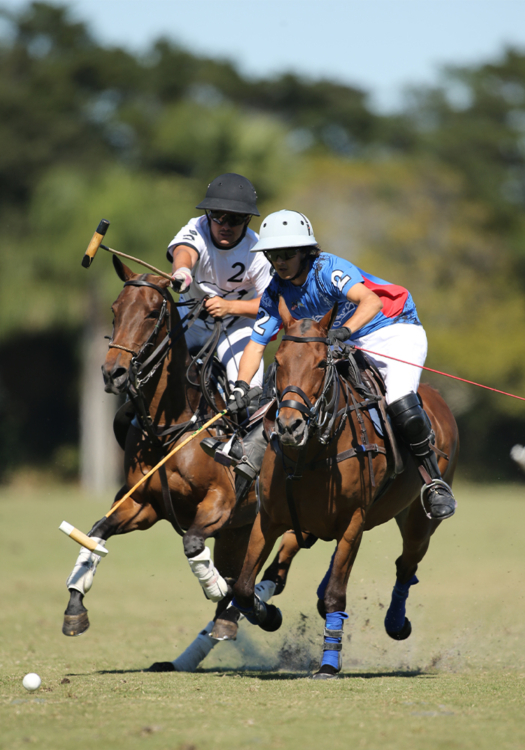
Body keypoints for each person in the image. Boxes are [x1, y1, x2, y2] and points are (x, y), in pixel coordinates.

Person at [210, 209, 456, 520]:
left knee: (398, 400)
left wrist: (345, 332)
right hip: (341, 340)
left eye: (286, 254)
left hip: (393, 328)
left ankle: (433, 482)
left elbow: (371, 302)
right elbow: (256, 345)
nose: (279, 261)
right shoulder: (276, 290)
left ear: (304, 252)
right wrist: (242, 387)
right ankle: (254, 456)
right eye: (273, 255)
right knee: (293, 390)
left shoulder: (328, 269)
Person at [168, 173, 272, 394]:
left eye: (234, 219)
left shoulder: (258, 251)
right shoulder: (197, 228)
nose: (225, 225)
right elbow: (184, 251)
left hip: (236, 326)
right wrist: (183, 270)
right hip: (190, 322)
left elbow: (271, 306)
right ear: (208, 215)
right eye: (218, 216)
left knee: (248, 396)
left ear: (247, 219)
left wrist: (229, 307)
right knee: (152, 377)